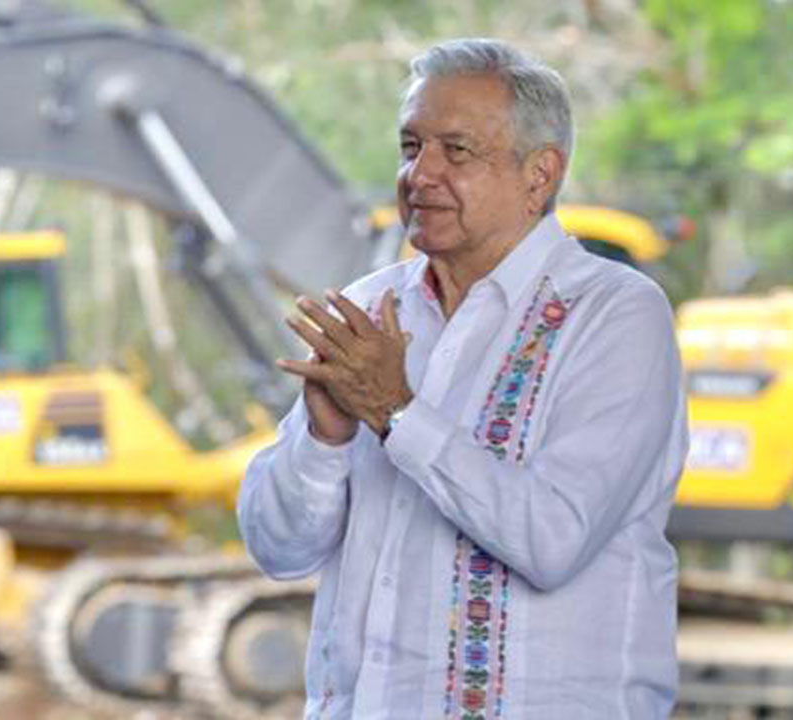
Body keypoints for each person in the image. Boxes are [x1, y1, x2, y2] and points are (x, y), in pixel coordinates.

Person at [238, 38, 688, 720]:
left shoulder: (615, 315)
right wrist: (325, 440)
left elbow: (553, 537)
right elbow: (278, 550)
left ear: (540, 175)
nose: (420, 174)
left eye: (457, 150)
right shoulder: (368, 307)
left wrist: (395, 411)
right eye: (410, 146)